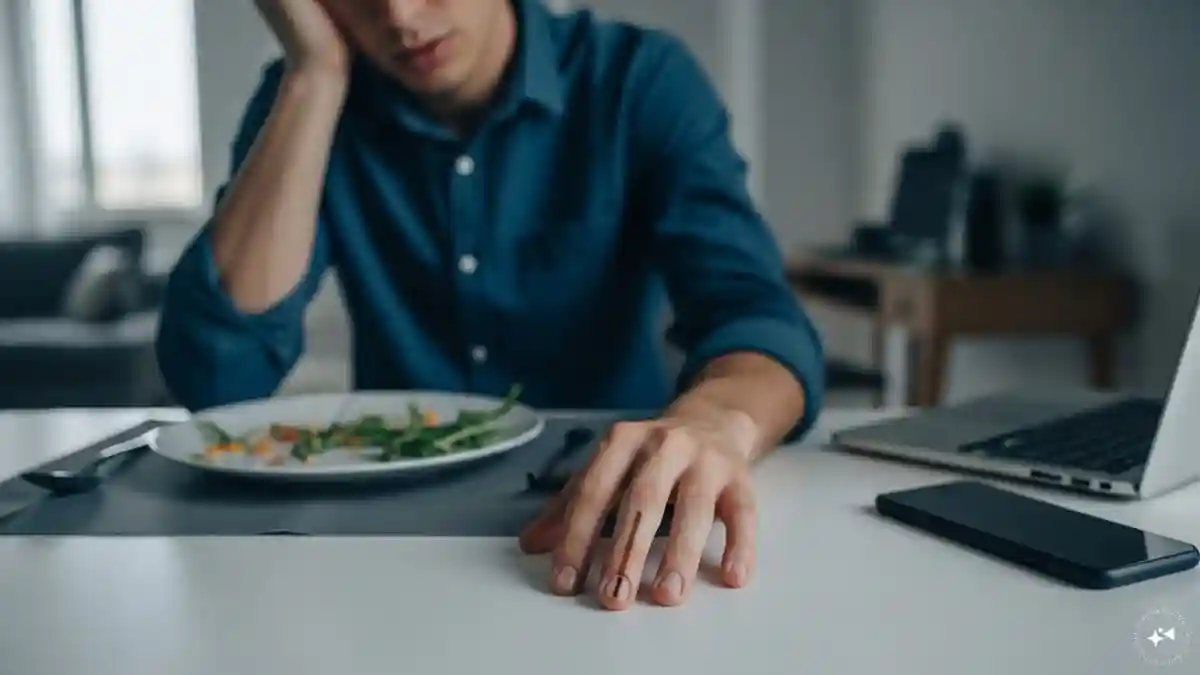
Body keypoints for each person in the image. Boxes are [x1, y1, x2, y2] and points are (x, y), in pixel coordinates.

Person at [156, 0, 826, 611]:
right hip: (380, 550)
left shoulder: (638, 80)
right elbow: (217, 376)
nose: (398, 16)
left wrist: (715, 423)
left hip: (609, 531)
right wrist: (314, 74)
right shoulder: (303, 102)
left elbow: (756, 314)